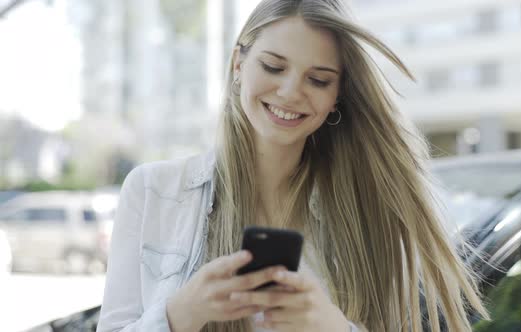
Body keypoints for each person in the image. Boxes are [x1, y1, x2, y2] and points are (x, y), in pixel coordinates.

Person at [97, 0, 489, 331]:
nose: (289, 92)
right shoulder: (153, 190)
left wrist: (333, 327)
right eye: (273, 66)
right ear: (238, 64)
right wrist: (180, 314)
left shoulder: (371, 215)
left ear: (337, 96)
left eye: (318, 80)